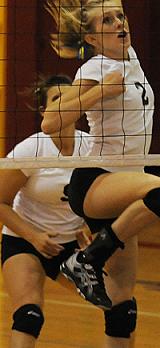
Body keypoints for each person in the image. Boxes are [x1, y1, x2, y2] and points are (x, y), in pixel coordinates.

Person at [41, 0, 160, 320]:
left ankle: (91, 262)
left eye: (121, 17)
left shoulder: (128, 55)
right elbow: (50, 122)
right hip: (98, 181)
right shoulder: (95, 66)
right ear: (90, 38)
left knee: (122, 300)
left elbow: (115, 20)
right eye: (109, 20)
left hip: (127, 185)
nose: (120, 22)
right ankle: (86, 258)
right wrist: (99, 92)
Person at [0, 75, 93, 347]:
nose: (65, 103)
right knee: (29, 315)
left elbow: (103, 194)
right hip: (25, 241)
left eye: (70, 97)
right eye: (56, 98)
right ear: (44, 111)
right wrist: (34, 237)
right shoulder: (32, 148)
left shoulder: (92, 146)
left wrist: (90, 223)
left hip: (71, 248)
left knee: (121, 308)